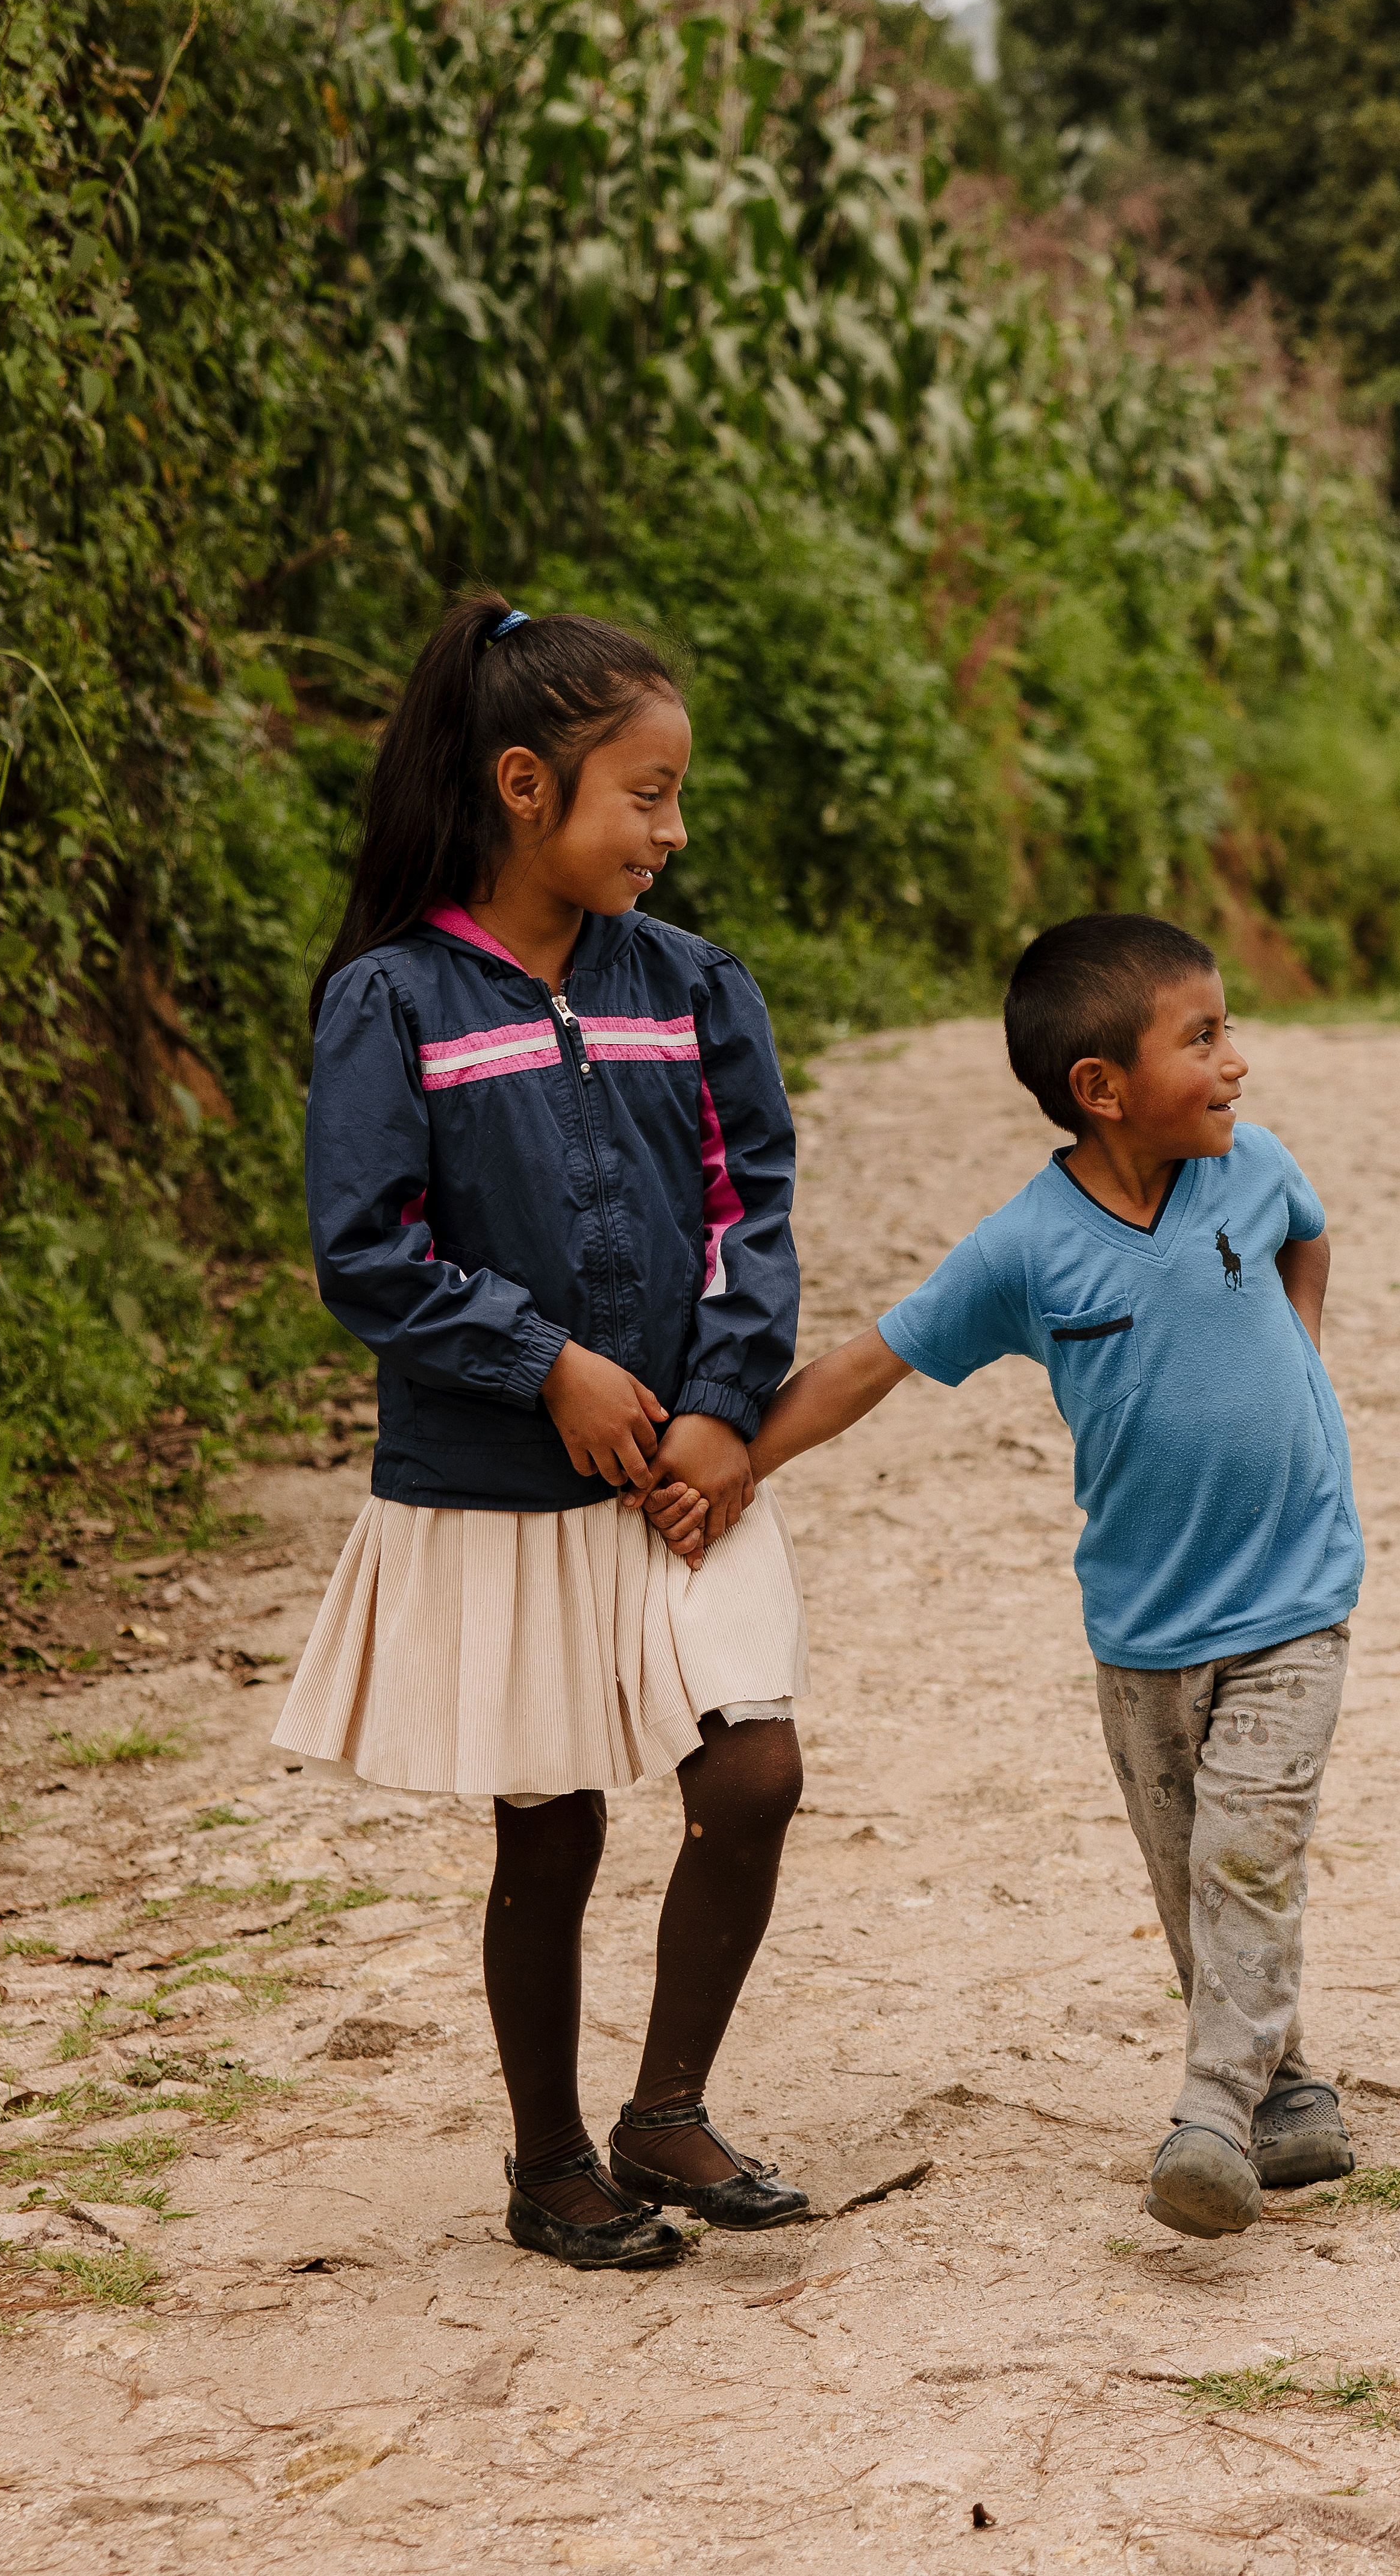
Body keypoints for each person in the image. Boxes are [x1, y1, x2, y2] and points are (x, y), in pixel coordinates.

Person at [275, 598, 814, 2273]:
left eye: (675, 795)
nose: (673, 829)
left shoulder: (693, 987)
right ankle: (549, 2158)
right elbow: (368, 1252)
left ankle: (667, 2108)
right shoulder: (392, 1002)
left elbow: (751, 1211)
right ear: (525, 785)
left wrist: (721, 1406)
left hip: (685, 1485)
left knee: (754, 1770)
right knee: (553, 1822)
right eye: (646, 794)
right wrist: (543, 1365)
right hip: (506, 1483)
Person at [713, 914, 1366, 2243]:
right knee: (1190, 1872)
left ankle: (1209, 2116)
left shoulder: (1253, 1166)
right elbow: (870, 1362)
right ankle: (1285, 2084)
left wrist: (1303, 1346)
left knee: (1247, 1853)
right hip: (1141, 1624)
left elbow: (1308, 1233)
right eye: (1202, 1036)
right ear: (1100, 1086)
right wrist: (735, 1461)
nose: (1236, 1061)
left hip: (1295, 1590)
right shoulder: (1025, 1247)